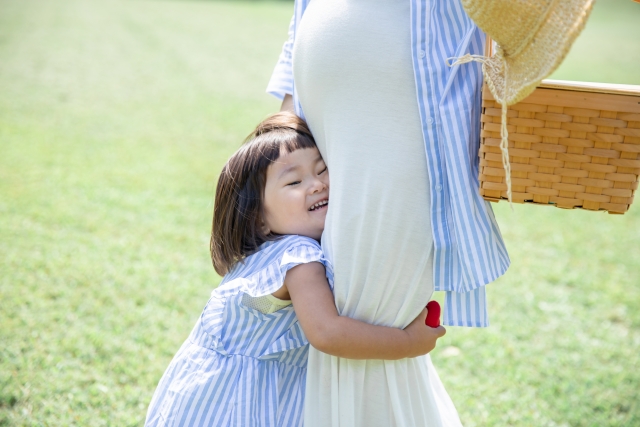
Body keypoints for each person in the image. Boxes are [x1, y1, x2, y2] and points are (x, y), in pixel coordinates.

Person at [267, 0, 510, 425]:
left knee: (367, 308)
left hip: (403, 104)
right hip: (322, 123)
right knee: (341, 309)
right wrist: (285, 134)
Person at [144, 112, 446, 427]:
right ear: (258, 217)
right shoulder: (298, 258)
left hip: (201, 392)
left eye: (322, 170)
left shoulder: (259, 256)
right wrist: (408, 343)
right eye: (294, 181)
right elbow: (328, 333)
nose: (316, 185)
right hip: (239, 403)